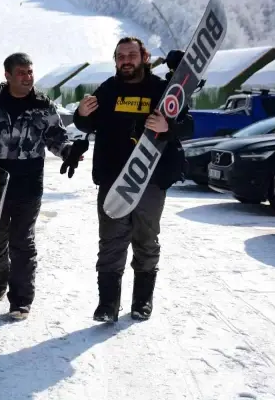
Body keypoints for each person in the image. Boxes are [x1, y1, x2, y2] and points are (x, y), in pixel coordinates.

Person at [73, 37, 193, 323]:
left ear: (144, 57)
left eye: (131, 55)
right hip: (113, 180)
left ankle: (142, 301)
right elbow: (87, 124)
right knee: (110, 242)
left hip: (150, 180)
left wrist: (168, 126)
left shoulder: (161, 89)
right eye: (121, 56)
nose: (126, 60)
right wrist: (81, 115)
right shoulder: (108, 90)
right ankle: (107, 305)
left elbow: (189, 125)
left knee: (146, 240)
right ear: (116, 61)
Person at [0, 52, 79, 320]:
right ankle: (0, 277)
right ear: (7, 75)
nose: (27, 78)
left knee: (22, 243)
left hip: (28, 183)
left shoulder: (43, 106)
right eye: (21, 73)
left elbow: (56, 138)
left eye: (30, 72)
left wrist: (68, 152)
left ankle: (21, 300)